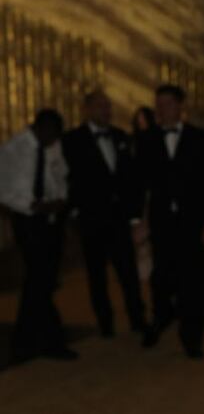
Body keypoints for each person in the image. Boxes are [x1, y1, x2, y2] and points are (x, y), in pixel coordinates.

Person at [136, 84, 204, 358]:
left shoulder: (200, 138)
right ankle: (160, 317)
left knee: (194, 279)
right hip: (162, 222)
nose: (163, 109)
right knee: (161, 275)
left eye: (168, 103)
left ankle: (192, 336)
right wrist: (137, 221)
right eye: (158, 104)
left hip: (194, 222)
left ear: (180, 106)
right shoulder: (146, 139)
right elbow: (138, 184)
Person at [61, 89, 148, 338]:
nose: (106, 111)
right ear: (87, 109)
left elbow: (131, 179)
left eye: (108, 106)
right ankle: (105, 322)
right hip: (91, 219)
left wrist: (134, 215)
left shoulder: (121, 137)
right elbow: (67, 180)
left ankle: (137, 317)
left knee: (128, 271)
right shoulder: (72, 140)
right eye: (100, 106)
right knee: (96, 274)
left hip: (120, 218)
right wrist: (75, 212)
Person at [0, 109, 76, 362]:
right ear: (40, 127)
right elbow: (4, 190)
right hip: (27, 220)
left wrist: (59, 200)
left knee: (41, 281)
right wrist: (32, 205)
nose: (54, 139)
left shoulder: (53, 148)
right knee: (39, 278)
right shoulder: (14, 149)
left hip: (51, 220)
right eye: (51, 134)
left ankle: (26, 339)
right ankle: (50, 340)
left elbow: (60, 176)